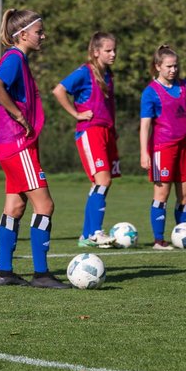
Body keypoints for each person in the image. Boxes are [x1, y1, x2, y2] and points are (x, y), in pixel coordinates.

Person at [0, 8, 70, 288]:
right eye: (39, 32)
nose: (43, 36)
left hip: (15, 144)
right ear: (22, 34)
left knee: (15, 205)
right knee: (45, 205)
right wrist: (18, 115)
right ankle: (42, 274)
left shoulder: (19, 59)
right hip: (18, 144)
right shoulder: (14, 57)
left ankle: (5, 272)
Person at [53, 32, 119, 249]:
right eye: (108, 50)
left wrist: (114, 128)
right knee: (103, 181)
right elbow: (59, 90)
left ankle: (86, 235)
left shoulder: (108, 74)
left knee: (100, 185)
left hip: (106, 132)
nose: (113, 54)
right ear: (96, 51)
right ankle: (96, 233)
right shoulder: (84, 72)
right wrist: (76, 113)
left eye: (114, 50)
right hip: (90, 132)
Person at [139, 44, 186, 249]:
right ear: (158, 66)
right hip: (162, 148)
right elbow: (145, 125)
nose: (173, 70)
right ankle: (159, 240)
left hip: (184, 146)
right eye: (169, 66)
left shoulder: (184, 86)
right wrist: (144, 152)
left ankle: (182, 235)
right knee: (162, 195)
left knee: (185, 194)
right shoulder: (150, 92)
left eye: (175, 66)